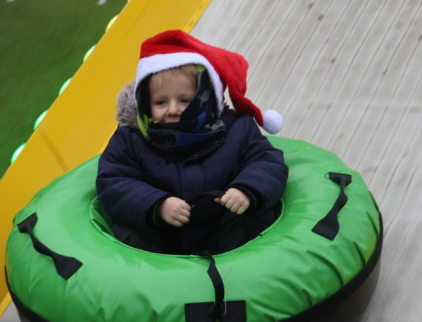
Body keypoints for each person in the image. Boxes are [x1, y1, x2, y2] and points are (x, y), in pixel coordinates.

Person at [96, 29, 288, 255]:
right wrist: (157, 204)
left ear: (205, 97)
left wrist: (247, 189)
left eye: (184, 100)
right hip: (166, 241)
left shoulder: (237, 128)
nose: (172, 110)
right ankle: (159, 276)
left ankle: (249, 269)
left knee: (256, 217)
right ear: (146, 103)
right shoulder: (131, 139)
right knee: (129, 233)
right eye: (160, 102)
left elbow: (266, 160)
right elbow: (114, 181)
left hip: (227, 229)